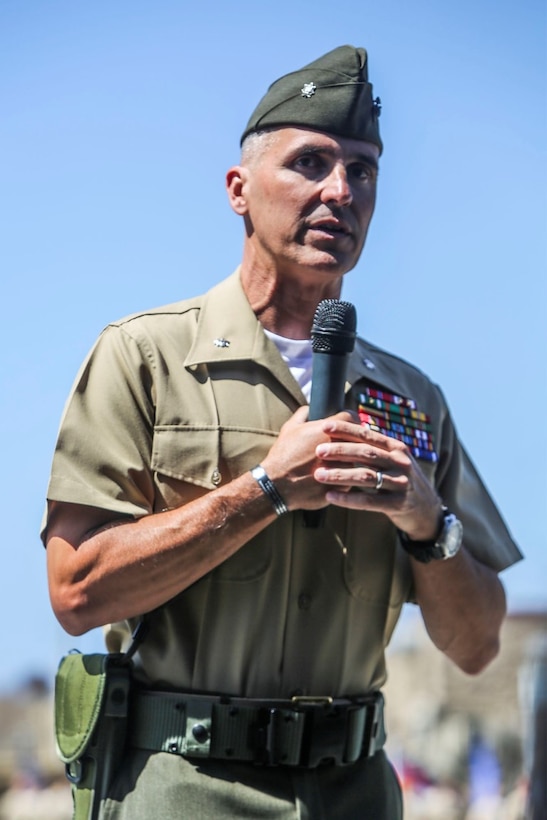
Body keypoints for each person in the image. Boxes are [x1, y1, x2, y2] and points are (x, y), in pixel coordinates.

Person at [43, 45, 522, 818]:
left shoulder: (413, 401)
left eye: (362, 171)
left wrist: (426, 523)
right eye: (309, 163)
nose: (340, 191)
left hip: (354, 792)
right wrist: (265, 490)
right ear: (238, 190)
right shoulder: (145, 357)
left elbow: (476, 647)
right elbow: (76, 591)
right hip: (186, 787)